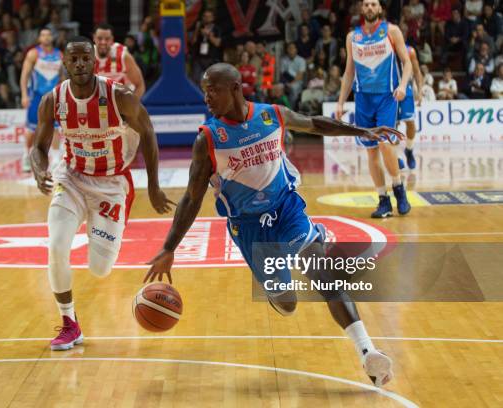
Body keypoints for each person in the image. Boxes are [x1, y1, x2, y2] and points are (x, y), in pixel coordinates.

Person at [144, 63, 401, 388]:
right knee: (287, 303)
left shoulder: (271, 115)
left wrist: (361, 131)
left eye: (213, 89)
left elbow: (315, 124)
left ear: (236, 88)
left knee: (324, 273)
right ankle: (275, 291)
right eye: (205, 89)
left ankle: (368, 352)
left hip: (286, 208)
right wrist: (169, 247)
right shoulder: (208, 138)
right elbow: (191, 198)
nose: (206, 97)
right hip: (248, 228)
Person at [30, 36, 173, 351]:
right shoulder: (52, 100)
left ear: (94, 61)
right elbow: (38, 148)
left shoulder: (119, 96)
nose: (80, 64)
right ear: (64, 64)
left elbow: (148, 132)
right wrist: (39, 170)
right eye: (74, 59)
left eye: (85, 58)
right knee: (55, 246)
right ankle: (69, 324)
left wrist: (153, 186)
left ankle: (110, 230)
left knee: (100, 269)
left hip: (110, 183)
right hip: (71, 178)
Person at [337, 0, 412, 218]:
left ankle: (398, 188)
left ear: (380, 9)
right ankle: (383, 200)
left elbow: (406, 62)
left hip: (387, 96)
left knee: (386, 145)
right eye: (366, 4)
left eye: (374, 4)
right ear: (362, 9)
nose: (370, 7)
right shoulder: (353, 37)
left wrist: (403, 85)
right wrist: (341, 101)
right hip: (363, 100)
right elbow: (349, 71)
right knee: (370, 151)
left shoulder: (392, 31)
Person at [20, 28, 63, 172]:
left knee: (56, 128)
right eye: (43, 35)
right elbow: (24, 75)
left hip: (54, 97)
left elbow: (63, 77)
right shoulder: (34, 53)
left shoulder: (60, 55)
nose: (46, 37)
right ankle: (26, 155)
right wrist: (24, 95)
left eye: (49, 34)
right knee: (31, 129)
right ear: (39, 38)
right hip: (37, 96)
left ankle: (56, 158)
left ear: (52, 37)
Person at [92, 23, 146, 98]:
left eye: (107, 39)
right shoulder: (89, 56)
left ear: (112, 39)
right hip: (102, 102)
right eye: (100, 38)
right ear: (94, 38)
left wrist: (132, 107)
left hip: (122, 101)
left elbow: (140, 85)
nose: (103, 42)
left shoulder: (123, 55)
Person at [397, 44, 422, 170]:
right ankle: (395, 156)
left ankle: (409, 150)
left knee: (410, 123)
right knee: (392, 126)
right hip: (388, 90)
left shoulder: (410, 50)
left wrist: (420, 91)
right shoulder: (383, 48)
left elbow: (417, 71)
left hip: (406, 89)